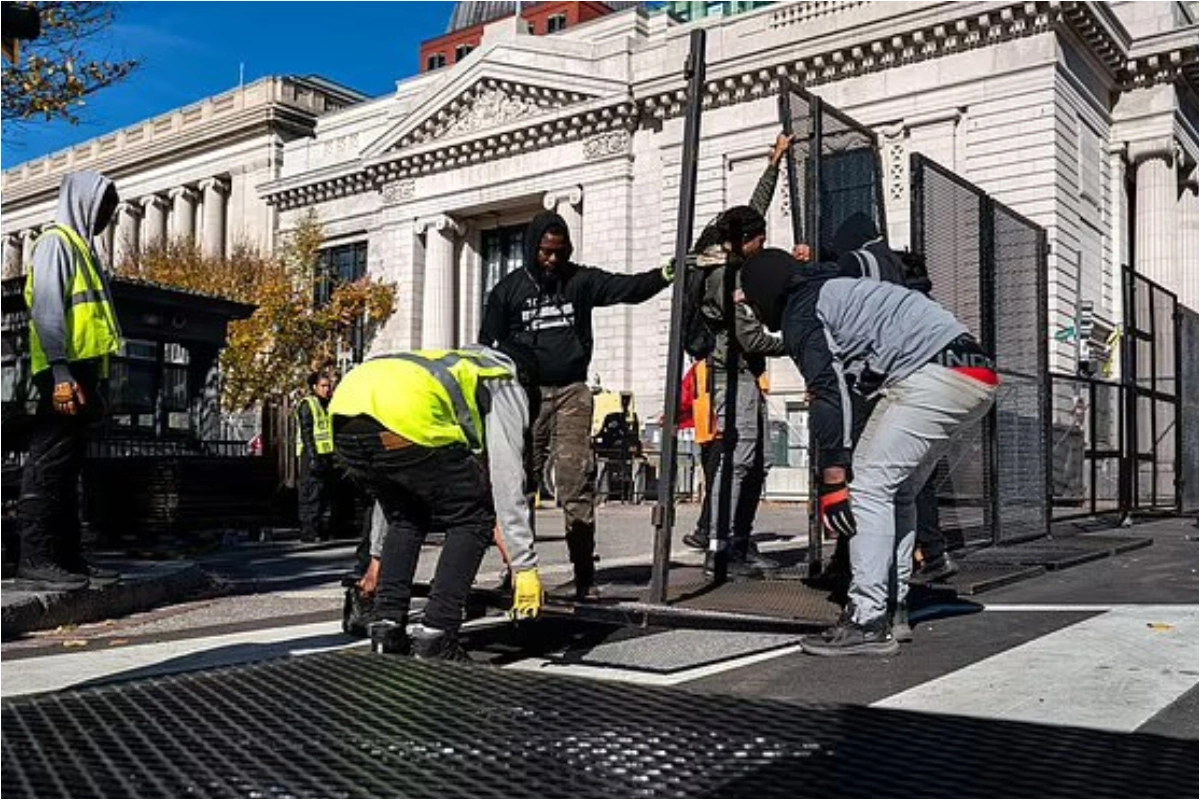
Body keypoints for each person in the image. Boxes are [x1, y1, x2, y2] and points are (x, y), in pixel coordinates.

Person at [739, 248, 998, 656]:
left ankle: (868, 620)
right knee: (897, 492)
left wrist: (833, 478)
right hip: (973, 371)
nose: (754, 310)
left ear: (766, 292)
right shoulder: (834, 291)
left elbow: (830, 393)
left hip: (932, 373)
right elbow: (855, 384)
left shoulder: (802, 311)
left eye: (752, 301)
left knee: (868, 489)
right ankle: (893, 607)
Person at [479, 211, 673, 599]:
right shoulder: (507, 291)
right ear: (532, 248)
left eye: (559, 252)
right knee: (519, 482)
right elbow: (486, 348)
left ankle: (585, 577)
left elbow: (627, 288)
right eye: (545, 252)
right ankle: (518, 570)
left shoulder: (579, 280)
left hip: (571, 391)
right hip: (525, 395)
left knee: (575, 480)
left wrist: (667, 273)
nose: (552, 260)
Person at [329, 344, 543, 660]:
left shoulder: (447, 364)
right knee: (473, 517)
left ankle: (387, 627)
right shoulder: (504, 378)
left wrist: (376, 556)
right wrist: (524, 566)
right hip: (404, 418)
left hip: (345, 412)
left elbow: (387, 507)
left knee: (405, 514)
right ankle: (438, 635)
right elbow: (506, 473)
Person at [681, 133, 794, 579]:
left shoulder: (730, 249)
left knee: (756, 458)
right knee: (741, 459)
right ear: (744, 242)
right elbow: (752, 340)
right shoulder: (727, 277)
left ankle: (735, 542)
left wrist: (774, 163)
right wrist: (792, 341)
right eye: (760, 241)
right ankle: (723, 545)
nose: (763, 246)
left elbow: (754, 209)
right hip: (733, 374)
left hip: (740, 376)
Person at [16, 171, 122, 591]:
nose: (106, 218)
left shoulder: (83, 250)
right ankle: (37, 557)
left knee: (69, 468)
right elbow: (46, 311)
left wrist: (94, 382)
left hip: (81, 373)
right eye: (103, 209)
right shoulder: (55, 244)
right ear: (83, 204)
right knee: (48, 465)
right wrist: (61, 374)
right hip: (62, 373)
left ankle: (68, 557)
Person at [295, 370, 336, 542]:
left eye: (329, 386)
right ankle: (309, 531)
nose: (327, 389)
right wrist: (313, 457)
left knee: (324, 494)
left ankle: (322, 529)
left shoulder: (328, 404)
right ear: (314, 387)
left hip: (326, 455)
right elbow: (307, 433)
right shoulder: (308, 404)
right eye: (324, 386)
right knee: (310, 494)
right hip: (311, 454)